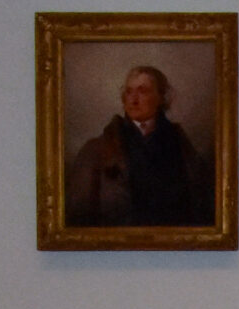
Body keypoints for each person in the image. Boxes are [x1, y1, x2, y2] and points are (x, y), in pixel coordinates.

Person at [67, 64, 213, 227]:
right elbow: (78, 215)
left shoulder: (181, 145)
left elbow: (201, 204)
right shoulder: (96, 150)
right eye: (129, 92)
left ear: (160, 97)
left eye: (142, 91)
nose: (133, 100)